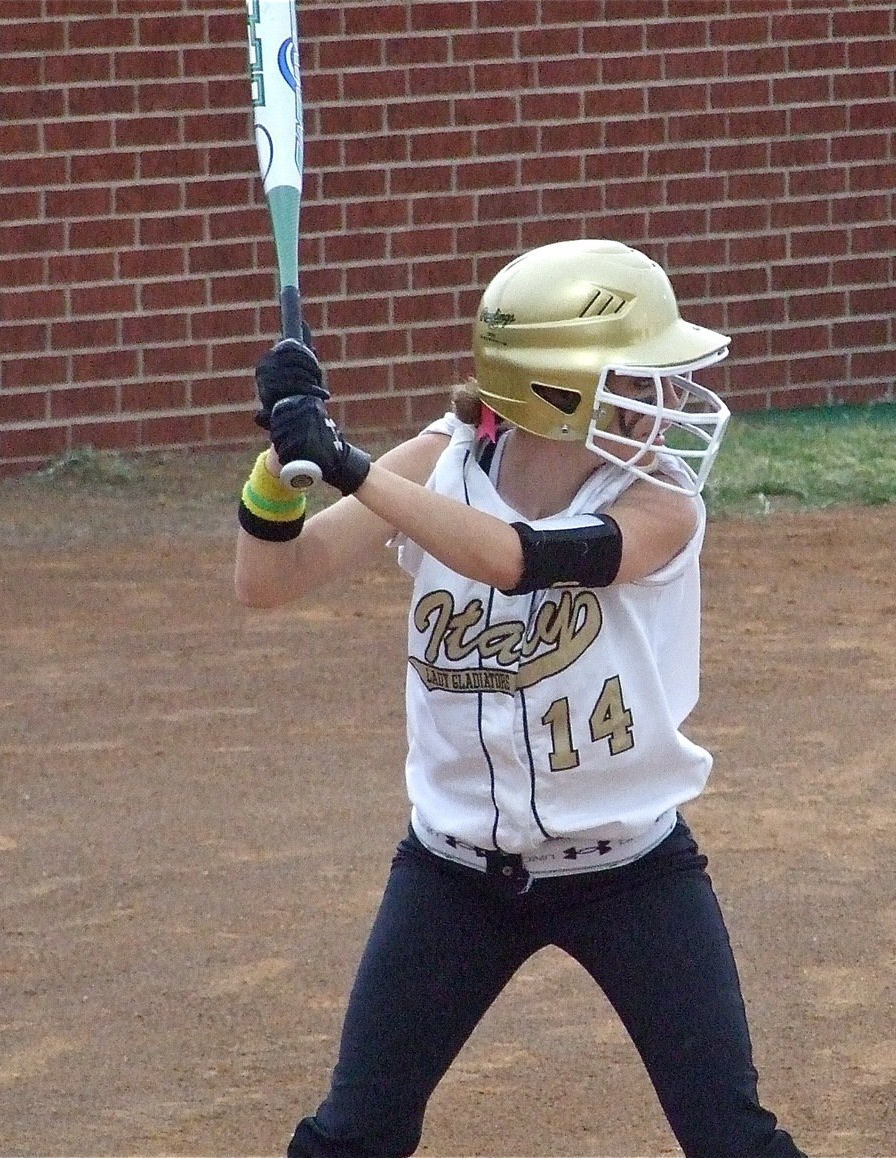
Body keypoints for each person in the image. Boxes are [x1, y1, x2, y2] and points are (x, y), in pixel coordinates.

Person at [234, 238, 807, 1158]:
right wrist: (282, 462)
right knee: (352, 1135)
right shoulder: (441, 460)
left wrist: (350, 463)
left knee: (731, 1138)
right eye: (638, 379)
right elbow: (270, 579)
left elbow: (519, 560)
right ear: (555, 390)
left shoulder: (663, 503)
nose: (666, 401)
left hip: (629, 869)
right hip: (453, 874)